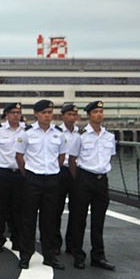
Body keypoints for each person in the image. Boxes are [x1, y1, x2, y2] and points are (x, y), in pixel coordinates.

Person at [15, 99, 67, 270]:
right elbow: (19, 156)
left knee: (50, 219)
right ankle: (25, 255)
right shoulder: (27, 133)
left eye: (50, 112)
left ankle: (50, 255)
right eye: (44, 112)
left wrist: (52, 170)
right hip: (32, 179)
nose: (47, 115)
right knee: (28, 219)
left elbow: (61, 157)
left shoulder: (59, 133)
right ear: (36, 114)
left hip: (52, 180)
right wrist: (28, 174)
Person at [67, 101, 116, 270]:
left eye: (101, 111)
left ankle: (98, 256)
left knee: (98, 220)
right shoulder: (80, 135)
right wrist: (78, 179)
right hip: (84, 178)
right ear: (89, 115)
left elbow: (110, 157)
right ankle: (78, 254)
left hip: (101, 180)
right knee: (79, 219)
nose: (99, 114)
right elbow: (72, 159)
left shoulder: (109, 136)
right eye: (95, 112)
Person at [0, 103, 25, 254]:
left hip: (19, 174)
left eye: (18, 112)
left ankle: (17, 239)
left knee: (18, 209)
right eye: (13, 112)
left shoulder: (26, 131)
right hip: (2, 173)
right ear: (7, 115)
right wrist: (0, 165)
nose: (16, 115)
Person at [55, 103, 81, 254]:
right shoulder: (57, 132)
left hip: (77, 172)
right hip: (61, 171)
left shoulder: (81, 133)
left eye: (74, 115)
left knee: (76, 209)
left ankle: (72, 244)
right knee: (56, 209)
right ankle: (55, 243)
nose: (72, 118)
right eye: (69, 114)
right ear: (63, 116)